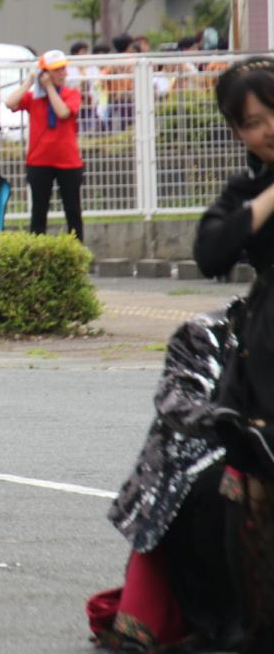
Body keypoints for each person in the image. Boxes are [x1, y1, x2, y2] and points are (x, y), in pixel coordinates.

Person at [87, 301, 245, 652]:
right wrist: (230, 422)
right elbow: (178, 396)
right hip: (197, 476)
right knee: (229, 484)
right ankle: (224, 616)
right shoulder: (209, 332)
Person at [193, 56, 274, 652]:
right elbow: (211, 252)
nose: (267, 127)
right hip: (269, 354)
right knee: (253, 490)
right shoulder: (248, 191)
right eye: (251, 122)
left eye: (273, 111)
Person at [5, 49, 85, 241]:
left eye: (63, 69)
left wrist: (49, 89)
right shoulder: (34, 98)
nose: (62, 73)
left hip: (68, 161)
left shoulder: (71, 94)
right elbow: (10, 103)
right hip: (39, 161)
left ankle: (76, 251)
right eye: (56, 70)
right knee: (38, 212)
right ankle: (37, 252)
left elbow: (63, 112)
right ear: (45, 73)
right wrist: (29, 82)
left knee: (72, 210)